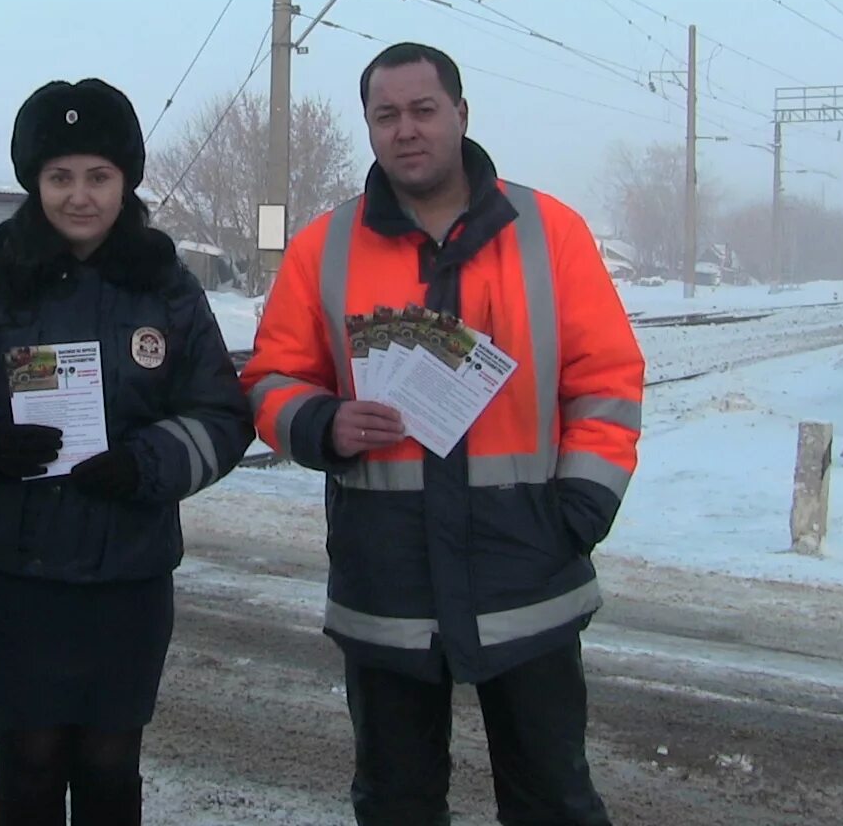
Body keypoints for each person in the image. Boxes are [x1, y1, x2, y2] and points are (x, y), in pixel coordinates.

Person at [241, 43, 645, 825]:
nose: (406, 130)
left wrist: (579, 511)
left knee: (553, 801)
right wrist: (322, 421)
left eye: (423, 110)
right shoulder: (322, 247)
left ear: (461, 114)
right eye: (385, 115)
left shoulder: (549, 232)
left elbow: (608, 380)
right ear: (368, 127)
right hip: (385, 578)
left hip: (527, 568)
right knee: (396, 803)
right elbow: (268, 379)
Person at [0, 77, 252, 826]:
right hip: (10, 575)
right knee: (27, 767)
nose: (79, 196)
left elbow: (222, 414)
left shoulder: (167, 288)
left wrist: (148, 464)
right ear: (34, 182)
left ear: (126, 182)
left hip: (125, 575)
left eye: (98, 177)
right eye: (60, 178)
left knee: (110, 767)